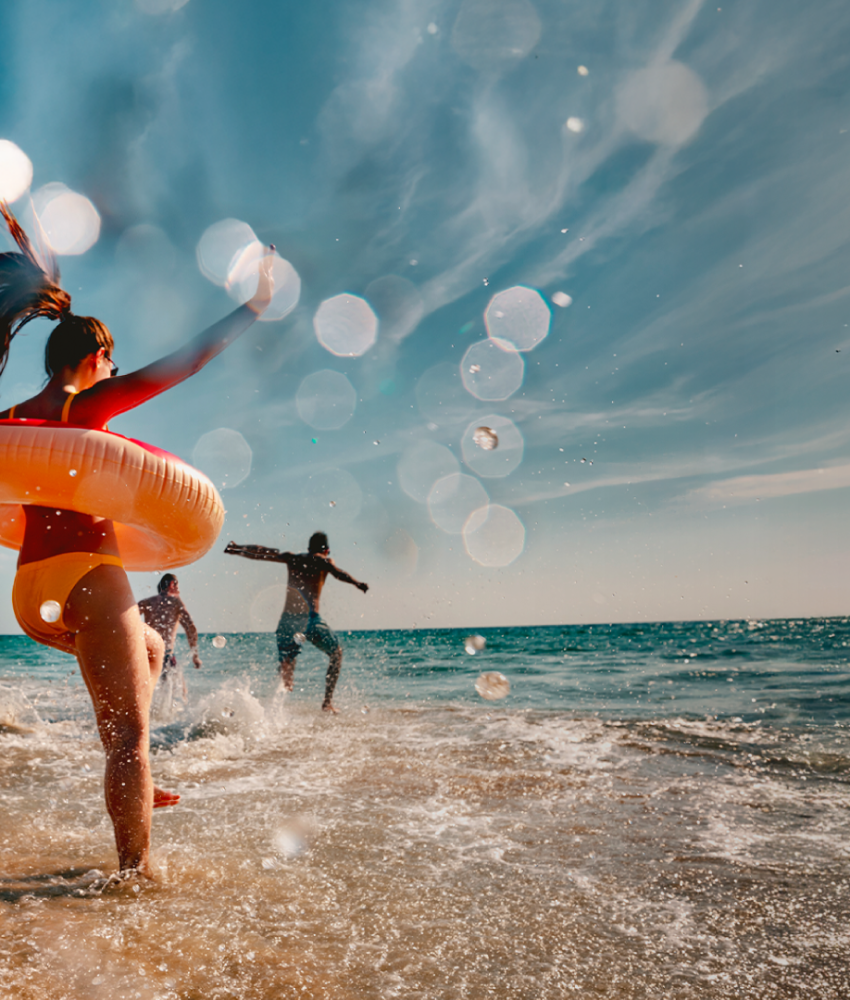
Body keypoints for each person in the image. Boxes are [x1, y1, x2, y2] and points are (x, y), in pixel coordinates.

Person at [0, 202, 274, 879]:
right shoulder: (77, 406)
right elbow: (186, 363)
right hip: (88, 575)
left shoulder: (11, 417)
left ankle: (135, 780)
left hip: (32, 590)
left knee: (150, 647)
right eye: (110, 364)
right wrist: (253, 307)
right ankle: (137, 872)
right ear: (95, 360)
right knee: (130, 736)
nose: (113, 374)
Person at [224, 532, 368, 712]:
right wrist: (357, 583)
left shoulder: (292, 558)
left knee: (287, 662)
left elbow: (263, 553)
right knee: (336, 653)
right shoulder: (324, 561)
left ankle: (275, 705)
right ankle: (327, 703)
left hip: (287, 620)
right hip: (309, 619)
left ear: (308, 548)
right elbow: (339, 574)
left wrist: (237, 549)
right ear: (327, 550)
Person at [138, 574, 202, 702]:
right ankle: (174, 722)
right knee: (180, 694)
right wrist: (195, 656)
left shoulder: (147, 602)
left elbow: (126, 620)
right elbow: (191, 628)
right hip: (165, 655)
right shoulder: (175, 602)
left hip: (144, 655)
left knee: (145, 695)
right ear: (172, 584)